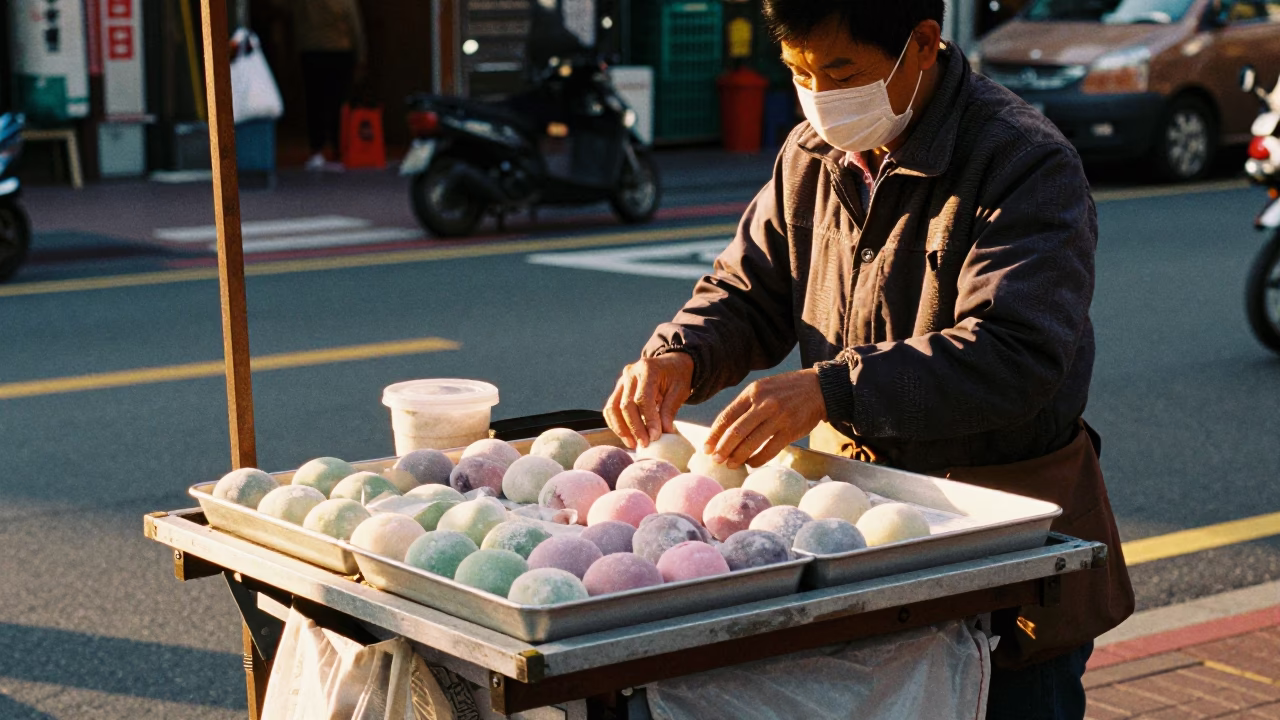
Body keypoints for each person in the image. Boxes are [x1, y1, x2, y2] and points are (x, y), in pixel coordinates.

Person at [602, 1, 1134, 718]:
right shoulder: (810, 158)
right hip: (853, 526)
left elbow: (1017, 352)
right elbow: (745, 291)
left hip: (997, 545)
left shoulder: (1022, 160)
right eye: (799, 71)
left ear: (923, 44)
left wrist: (831, 388)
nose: (819, 95)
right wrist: (680, 355)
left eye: (840, 70)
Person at [288, 0, 366, 171]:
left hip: (312, 51)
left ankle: (317, 150)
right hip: (340, 50)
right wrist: (360, 55)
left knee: (314, 102)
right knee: (338, 102)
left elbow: (293, 16)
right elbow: (355, 27)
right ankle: (339, 149)